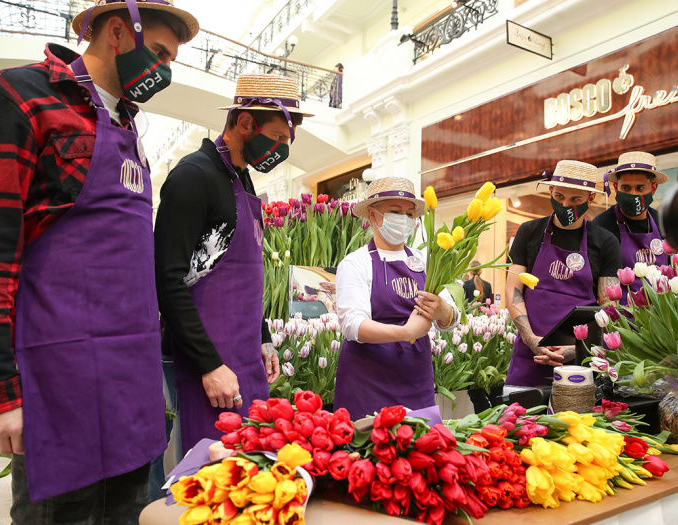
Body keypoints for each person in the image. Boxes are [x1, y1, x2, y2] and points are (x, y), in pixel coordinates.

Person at [0, 0, 198, 521]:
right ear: (118, 32)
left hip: (130, 384)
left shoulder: (127, 127)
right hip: (58, 381)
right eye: (159, 54)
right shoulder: (18, 97)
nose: (164, 70)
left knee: (129, 514)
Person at [155, 73, 311, 452]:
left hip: (243, 355)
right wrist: (209, 364)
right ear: (244, 123)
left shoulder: (241, 179)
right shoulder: (194, 177)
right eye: (276, 139)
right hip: (202, 360)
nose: (279, 151)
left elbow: (244, 274)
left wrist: (263, 338)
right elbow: (168, 279)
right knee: (210, 473)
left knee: (248, 466)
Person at [334, 177, 460, 420]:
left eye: (410, 213)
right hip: (368, 382)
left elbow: (451, 319)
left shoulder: (425, 261)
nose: (404, 219)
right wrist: (406, 333)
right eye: (395, 211)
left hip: (416, 380)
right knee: (369, 453)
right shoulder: (355, 262)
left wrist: (443, 310)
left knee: (421, 451)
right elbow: (352, 325)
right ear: (373, 215)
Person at [505, 161, 621, 387]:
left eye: (575, 200)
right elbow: (513, 289)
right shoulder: (529, 232)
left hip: (580, 358)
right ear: (550, 191)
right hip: (530, 353)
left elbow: (608, 307)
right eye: (559, 197)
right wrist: (531, 339)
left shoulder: (605, 241)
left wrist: (578, 346)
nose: (565, 205)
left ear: (590, 198)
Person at [592, 151, 669, 303]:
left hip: (665, 319)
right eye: (626, 188)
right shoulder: (601, 227)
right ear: (616, 187)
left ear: (653, 189)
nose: (633, 194)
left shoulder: (665, 224)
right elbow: (600, 288)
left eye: (640, 188)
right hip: (623, 321)